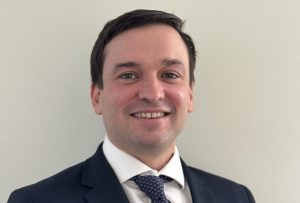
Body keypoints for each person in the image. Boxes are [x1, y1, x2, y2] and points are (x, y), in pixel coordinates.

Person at [8, 9, 255, 203]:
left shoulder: (236, 197)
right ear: (97, 96)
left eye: (169, 75)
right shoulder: (36, 200)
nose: (152, 93)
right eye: (129, 75)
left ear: (190, 94)